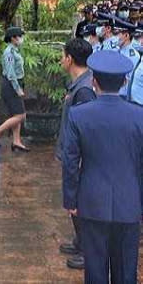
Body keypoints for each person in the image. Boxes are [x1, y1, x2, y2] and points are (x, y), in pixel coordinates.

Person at [61, 50, 143, 284]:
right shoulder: (139, 116)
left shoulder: (79, 115)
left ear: (94, 81)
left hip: (92, 200)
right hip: (129, 202)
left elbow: (70, 161)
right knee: (126, 270)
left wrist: (71, 199)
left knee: (95, 268)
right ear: (125, 81)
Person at [55, 38, 97, 270]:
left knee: (78, 202)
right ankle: (80, 241)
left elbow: (85, 129)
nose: (61, 60)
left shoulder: (83, 90)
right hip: (71, 153)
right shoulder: (79, 85)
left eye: (63, 56)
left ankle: (87, 250)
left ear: (70, 59)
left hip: (79, 157)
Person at [0, 26, 29, 152]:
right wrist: (18, 89)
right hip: (11, 85)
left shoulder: (15, 51)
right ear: (13, 38)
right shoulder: (9, 52)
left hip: (16, 83)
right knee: (21, 115)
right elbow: (10, 74)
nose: (21, 38)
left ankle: (16, 141)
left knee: (17, 113)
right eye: (19, 36)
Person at [116, 20, 140, 98]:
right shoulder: (118, 51)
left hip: (124, 96)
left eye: (118, 34)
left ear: (126, 35)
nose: (116, 37)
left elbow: (130, 80)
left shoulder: (132, 56)